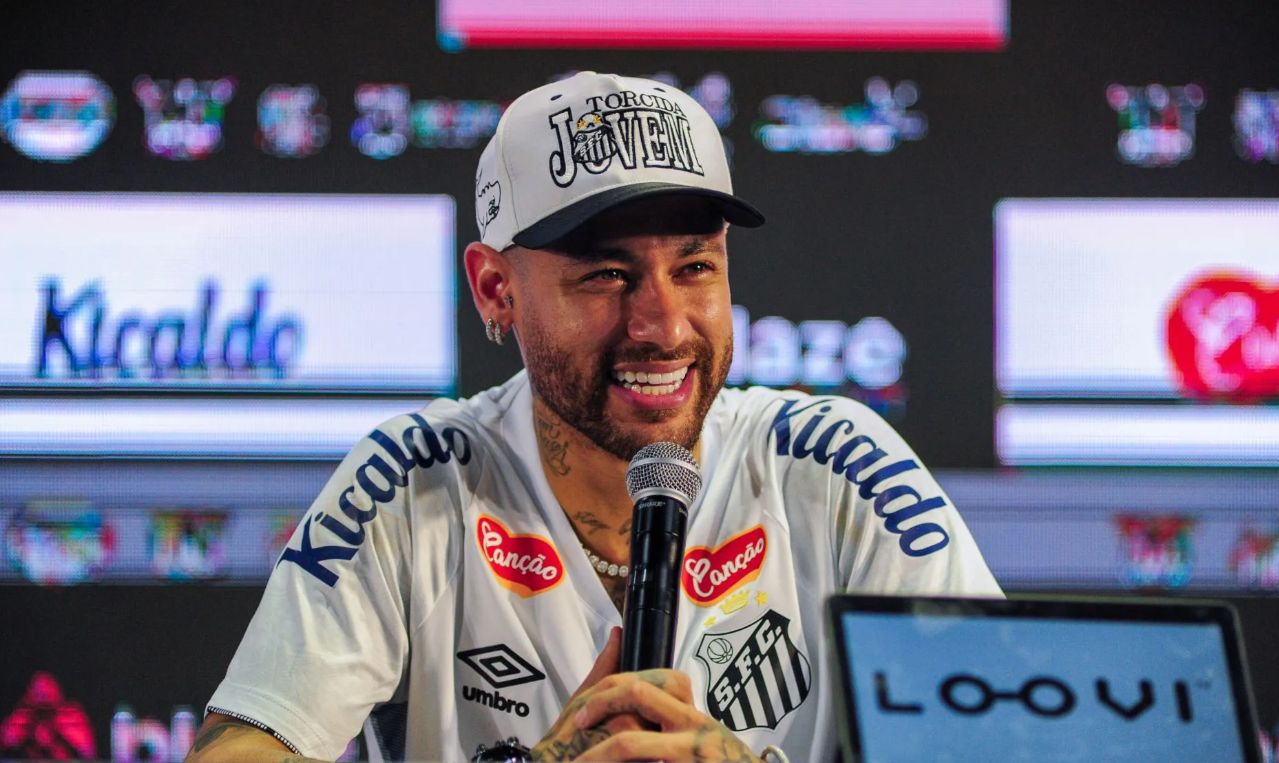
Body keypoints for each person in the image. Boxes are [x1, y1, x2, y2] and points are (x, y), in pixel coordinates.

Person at [187, 71, 1001, 763]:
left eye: (694, 266)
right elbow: (243, 746)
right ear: (495, 289)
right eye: (606, 274)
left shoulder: (832, 465)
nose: (663, 324)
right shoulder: (415, 478)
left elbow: (1014, 737)